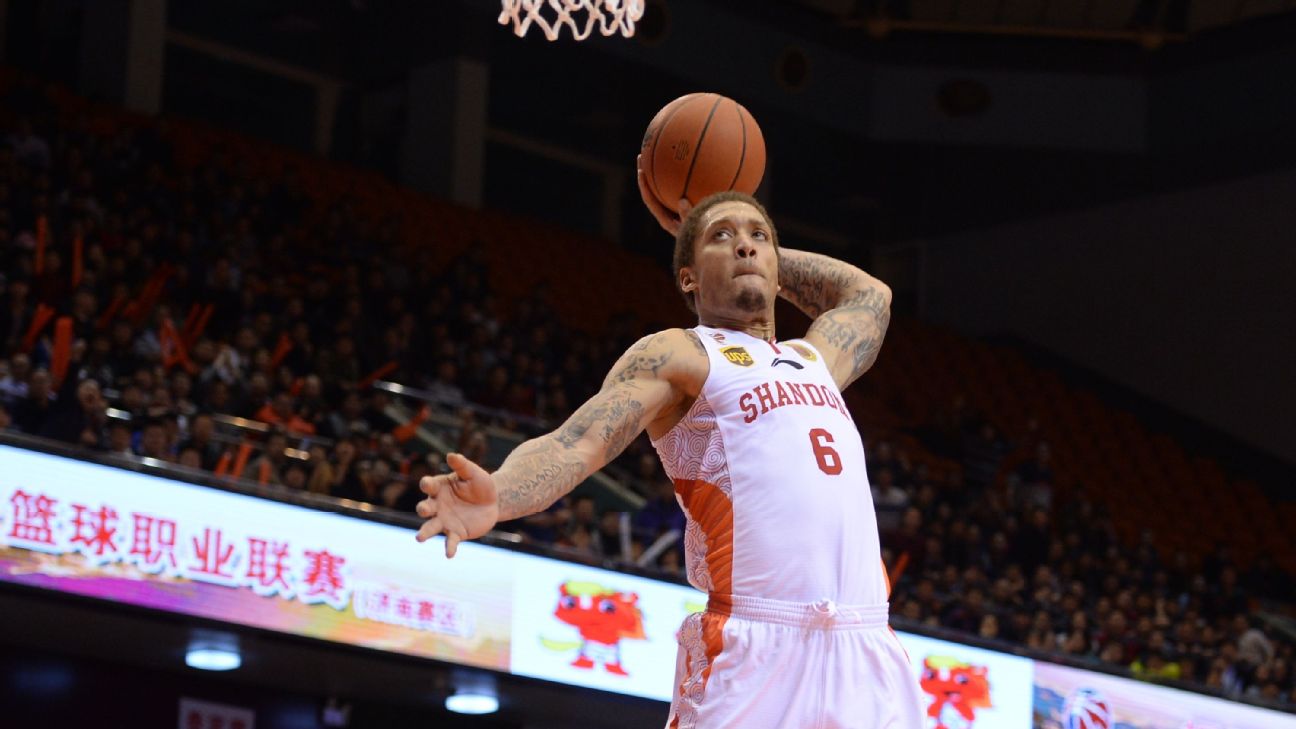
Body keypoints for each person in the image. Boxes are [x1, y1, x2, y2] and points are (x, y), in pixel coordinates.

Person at [415, 179, 923, 728]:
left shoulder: (817, 358)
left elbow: (872, 296)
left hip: (866, 644)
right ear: (687, 277)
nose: (744, 246)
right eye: (722, 238)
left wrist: (751, 251)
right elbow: (577, 441)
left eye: (757, 236)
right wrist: (502, 495)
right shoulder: (681, 353)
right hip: (753, 647)